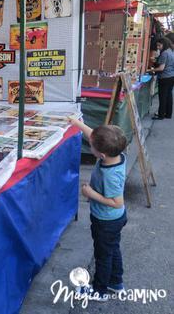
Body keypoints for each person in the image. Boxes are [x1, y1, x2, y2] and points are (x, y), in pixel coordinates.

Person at [70, 118, 128, 301]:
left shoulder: (109, 175)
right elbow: (93, 135)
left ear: (101, 154)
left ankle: (99, 291)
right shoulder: (116, 155)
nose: (89, 145)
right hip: (114, 219)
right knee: (112, 249)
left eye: (91, 146)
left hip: (106, 221)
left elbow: (117, 202)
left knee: (102, 256)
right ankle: (116, 282)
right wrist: (75, 122)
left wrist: (90, 193)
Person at [150, 37, 174, 120]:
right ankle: (168, 114)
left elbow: (161, 68)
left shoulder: (164, 53)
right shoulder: (170, 51)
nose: (158, 47)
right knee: (168, 95)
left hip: (164, 77)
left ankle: (161, 115)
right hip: (171, 76)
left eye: (159, 45)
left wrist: (150, 70)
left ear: (164, 44)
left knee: (163, 96)